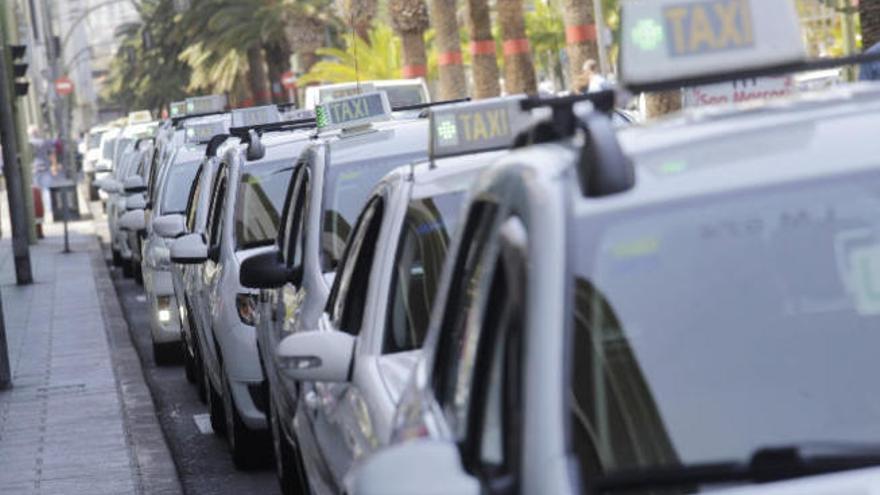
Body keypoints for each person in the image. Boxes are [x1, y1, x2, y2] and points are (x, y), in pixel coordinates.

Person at [29, 126, 57, 221]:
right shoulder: (45, 142)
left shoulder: (29, 143)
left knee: (36, 192)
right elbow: (52, 154)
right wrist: (54, 166)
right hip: (45, 167)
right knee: (46, 190)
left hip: (34, 169)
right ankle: (49, 211)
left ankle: (38, 213)